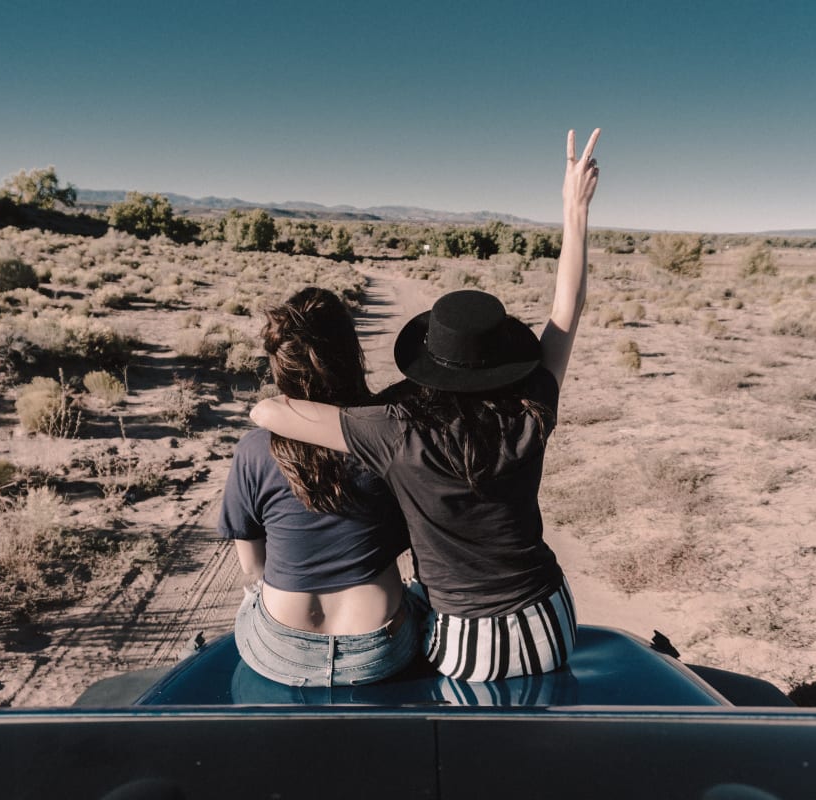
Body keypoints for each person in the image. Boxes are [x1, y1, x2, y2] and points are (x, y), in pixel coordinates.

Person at [250, 128, 601, 681]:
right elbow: (567, 307)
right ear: (506, 360)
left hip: (468, 646)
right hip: (551, 623)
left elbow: (269, 413)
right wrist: (574, 208)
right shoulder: (533, 407)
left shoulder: (397, 429)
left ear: (431, 361)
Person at [218, 287, 418, 687]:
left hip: (280, 650)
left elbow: (252, 566)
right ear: (351, 355)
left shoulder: (255, 450)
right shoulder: (389, 439)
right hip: (379, 649)